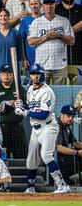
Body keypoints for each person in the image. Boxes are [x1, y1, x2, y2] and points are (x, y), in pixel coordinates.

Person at [14, 64, 71, 193]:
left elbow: (43, 114)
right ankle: (30, 187)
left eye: (38, 74)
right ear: (30, 75)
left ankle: (62, 185)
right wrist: (22, 106)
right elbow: (31, 108)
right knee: (31, 159)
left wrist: (25, 112)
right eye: (33, 74)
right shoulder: (29, 90)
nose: (36, 76)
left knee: (46, 156)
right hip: (35, 129)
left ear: (42, 75)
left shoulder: (47, 92)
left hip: (48, 127)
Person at [27, 0, 75, 85]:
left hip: (60, 65)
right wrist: (46, 37)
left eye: (51, 4)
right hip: (41, 66)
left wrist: (59, 36)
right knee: (41, 92)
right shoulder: (36, 22)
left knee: (62, 93)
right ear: (42, 6)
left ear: (55, 5)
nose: (49, 6)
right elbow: (30, 42)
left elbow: (72, 41)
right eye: (46, 4)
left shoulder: (64, 21)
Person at [0, 64, 28, 159]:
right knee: (2, 157)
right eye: (4, 73)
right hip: (2, 128)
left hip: (17, 127)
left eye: (9, 73)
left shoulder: (19, 89)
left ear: (13, 75)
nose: (6, 75)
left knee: (22, 156)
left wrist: (20, 105)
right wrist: (5, 104)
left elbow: (26, 107)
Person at [56, 105, 82, 184]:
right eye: (68, 115)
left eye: (72, 116)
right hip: (57, 160)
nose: (71, 118)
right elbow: (58, 148)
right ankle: (64, 179)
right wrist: (77, 153)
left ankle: (67, 179)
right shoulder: (56, 126)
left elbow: (75, 143)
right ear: (61, 115)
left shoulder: (66, 126)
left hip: (64, 158)